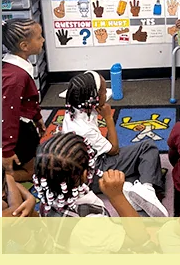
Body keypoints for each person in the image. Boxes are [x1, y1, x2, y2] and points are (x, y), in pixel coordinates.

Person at [61, 70, 168, 217]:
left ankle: (134, 188)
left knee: (139, 172)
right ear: (95, 98)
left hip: (82, 171)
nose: (107, 93)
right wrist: (108, 117)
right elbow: (114, 150)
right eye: (105, 91)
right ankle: (148, 192)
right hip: (94, 172)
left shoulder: (73, 110)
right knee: (148, 148)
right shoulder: (84, 129)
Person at [32, 132, 158, 253]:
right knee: (154, 235)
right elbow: (139, 239)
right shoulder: (91, 224)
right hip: (93, 241)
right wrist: (117, 196)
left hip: (77, 241)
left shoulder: (49, 197)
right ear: (85, 174)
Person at [2, 18, 46, 182]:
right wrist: (7, 151)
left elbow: (27, 99)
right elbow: (7, 114)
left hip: (24, 123)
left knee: (34, 156)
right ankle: (6, 177)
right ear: (24, 46)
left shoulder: (16, 66)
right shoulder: (15, 77)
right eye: (39, 37)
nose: (42, 40)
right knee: (33, 172)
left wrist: (37, 117)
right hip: (18, 131)